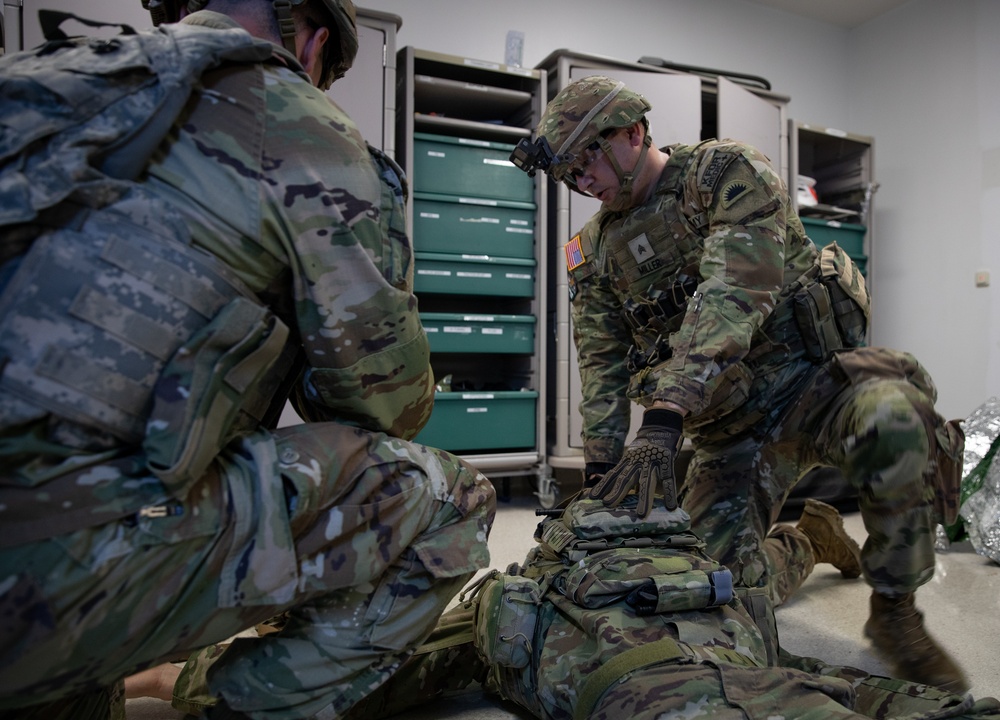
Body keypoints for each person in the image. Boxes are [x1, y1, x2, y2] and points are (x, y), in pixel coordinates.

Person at [0, 2, 495, 719]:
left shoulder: (37, 81)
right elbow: (384, 404)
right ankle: (224, 700)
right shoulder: (297, 119)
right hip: (45, 572)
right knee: (448, 499)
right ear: (316, 39)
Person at [509, 75, 968, 692]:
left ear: (634, 133)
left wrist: (665, 416)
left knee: (896, 417)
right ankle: (808, 542)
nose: (581, 178)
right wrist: (600, 477)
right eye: (568, 171)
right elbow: (601, 362)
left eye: (589, 155)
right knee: (707, 598)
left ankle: (895, 609)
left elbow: (734, 290)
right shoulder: (590, 253)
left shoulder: (726, 173)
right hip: (731, 434)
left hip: (816, 390)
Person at [130, 493, 1000, 720]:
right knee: (768, 571)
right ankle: (812, 533)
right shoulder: (520, 606)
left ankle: (808, 536)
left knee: (767, 584)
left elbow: (372, 673)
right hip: (721, 610)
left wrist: (185, 680)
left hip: (715, 641)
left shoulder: (507, 606)